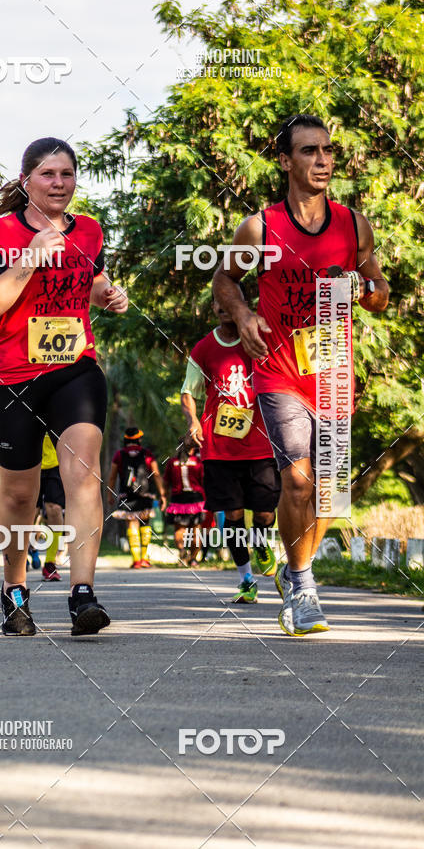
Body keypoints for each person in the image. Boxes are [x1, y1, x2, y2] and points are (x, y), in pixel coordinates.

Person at [213, 113, 389, 634]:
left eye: (328, 150)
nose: (323, 160)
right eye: (310, 151)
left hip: (333, 371)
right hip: (279, 372)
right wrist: (243, 315)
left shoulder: (353, 224)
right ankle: (303, 583)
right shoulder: (261, 227)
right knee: (296, 479)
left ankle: (295, 571)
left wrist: (362, 287)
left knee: (331, 493)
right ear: (286, 161)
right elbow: (225, 278)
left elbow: (380, 294)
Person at [0, 136, 127, 636]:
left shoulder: (92, 232)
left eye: (66, 174)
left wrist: (109, 295)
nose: (59, 184)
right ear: (26, 181)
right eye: (47, 175)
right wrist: (30, 258)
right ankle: (16, 591)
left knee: (83, 475)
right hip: (13, 378)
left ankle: (83, 595)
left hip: (74, 368)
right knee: (19, 494)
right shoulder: (2, 232)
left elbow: (90, 284)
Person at [182, 292, 281, 602]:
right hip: (220, 449)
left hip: (262, 446)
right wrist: (194, 422)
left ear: (244, 305)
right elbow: (188, 391)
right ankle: (246, 579)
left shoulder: (261, 337)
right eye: (218, 303)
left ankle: (262, 542)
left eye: (232, 302)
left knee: (264, 512)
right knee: (233, 514)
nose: (224, 308)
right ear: (213, 307)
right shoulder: (204, 348)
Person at [107, 427, 167, 569]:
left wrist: (110, 495)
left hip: (126, 496)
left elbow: (112, 477)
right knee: (145, 525)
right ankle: (145, 558)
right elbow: (156, 475)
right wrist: (162, 494)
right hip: (144, 495)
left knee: (131, 524)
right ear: (139, 439)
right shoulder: (147, 454)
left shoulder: (119, 455)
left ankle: (136, 560)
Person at [162, 441, 205, 566]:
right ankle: (193, 559)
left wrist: (164, 497)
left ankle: (182, 551)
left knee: (179, 529)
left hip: (178, 500)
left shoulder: (172, 462)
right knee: (196, 531)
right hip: (196, 500)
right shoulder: (197, 462)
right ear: (191, 449)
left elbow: (166, 483)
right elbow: (204, 480)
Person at [36, 432, 66, 582]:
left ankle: (50, 563)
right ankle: (20, 560)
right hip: (29, 460)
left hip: (56, 463)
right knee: (29, 514)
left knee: (54, 509)